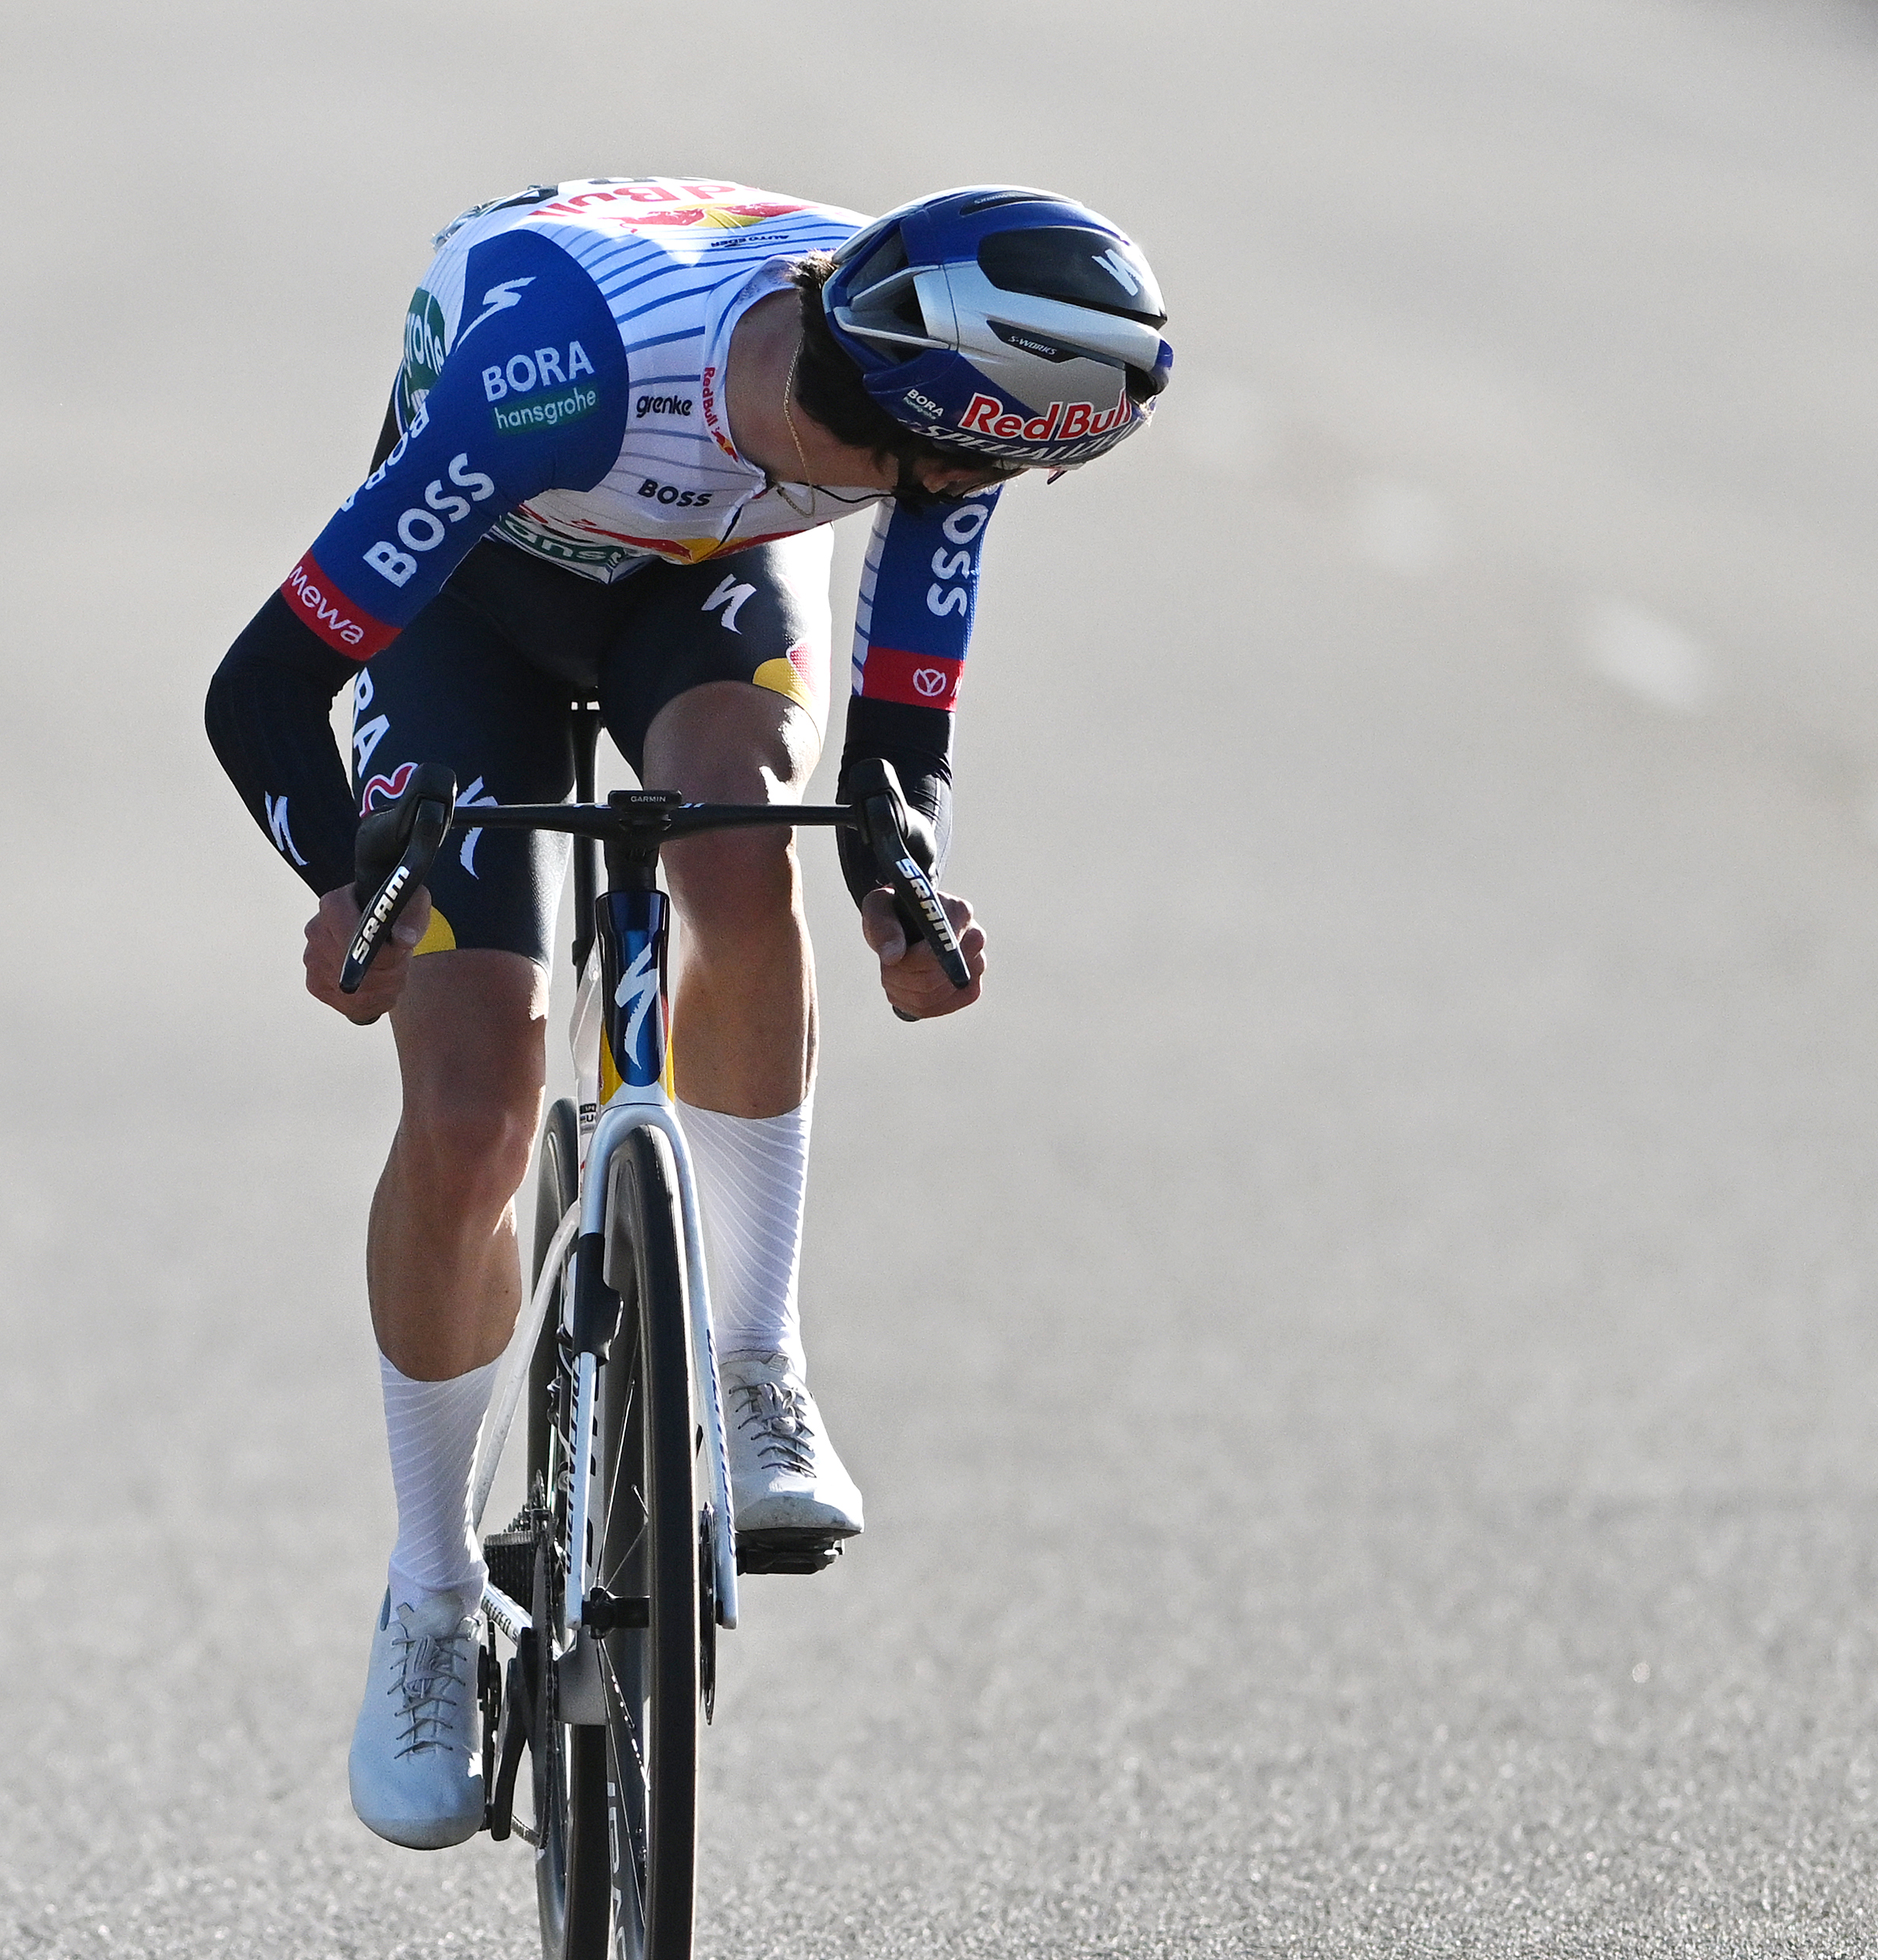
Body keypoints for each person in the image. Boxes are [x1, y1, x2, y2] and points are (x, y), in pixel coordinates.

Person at [202, 176, 1171, 1852]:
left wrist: (898, 882)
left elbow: (895, 721)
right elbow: (264, 684)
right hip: (467, 601)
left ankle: (750, 1368)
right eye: (951, 475)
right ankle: (431, 1597)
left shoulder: (935, 380)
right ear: (883, 410)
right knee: (469, 1107)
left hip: (698, 591)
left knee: (737, 831)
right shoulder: (565, 374)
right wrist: (349, 875)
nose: (965, 502)